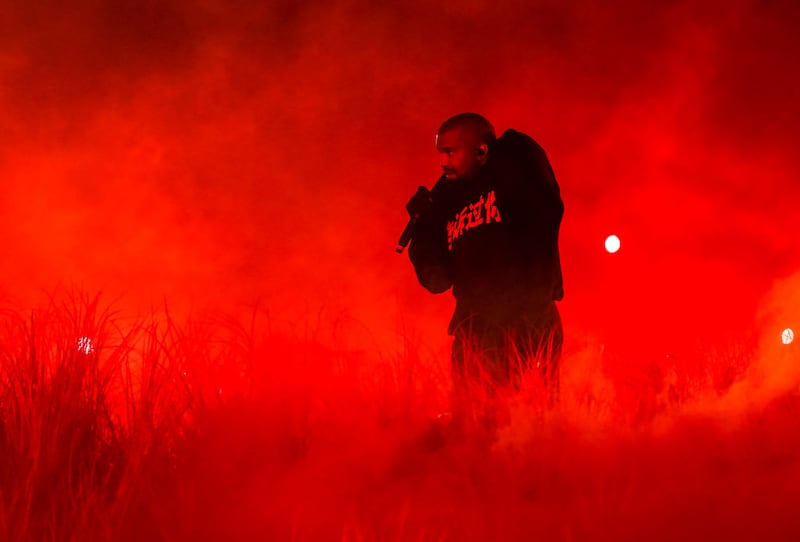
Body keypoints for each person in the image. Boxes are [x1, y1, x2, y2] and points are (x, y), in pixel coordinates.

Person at [405, 113, 564, 416]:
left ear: (480, 151)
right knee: (472, 420)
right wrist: (424, 228)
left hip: (526, 317)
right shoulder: (449, 202)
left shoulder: (514, 172)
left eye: (450, 152)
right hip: (473, 326)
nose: (442, 162)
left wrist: (502, 148)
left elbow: (544, 200)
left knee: (526, 417)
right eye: (440, 153)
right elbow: (437, 281)